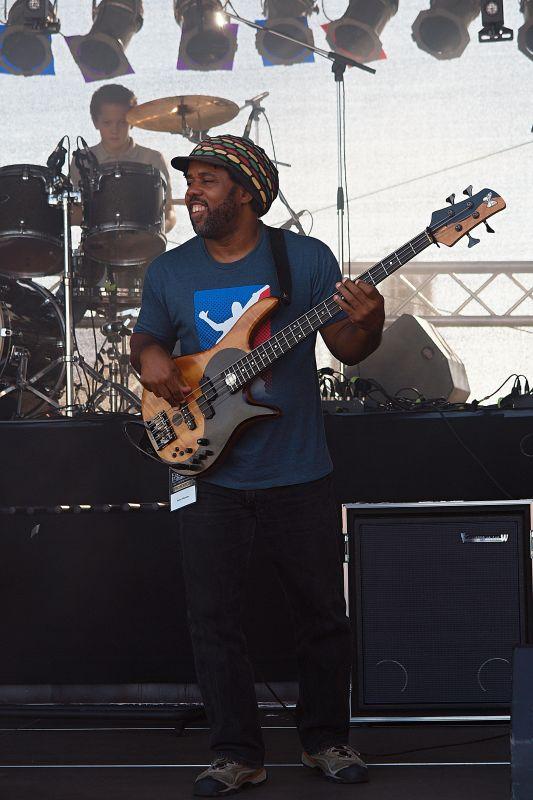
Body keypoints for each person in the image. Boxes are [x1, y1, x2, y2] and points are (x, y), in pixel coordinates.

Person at [130, 134, 385, 797]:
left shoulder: (301, 259)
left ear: (245, 190)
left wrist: (371, 320)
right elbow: (147, 337)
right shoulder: (170, 270)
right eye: (192, 180)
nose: (193, 190)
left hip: (297, 467)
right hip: (204, 469)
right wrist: (150, 358)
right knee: (212, 619)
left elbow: (349, 350)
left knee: (321, 614)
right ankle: (236, 753)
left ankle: (325, 739)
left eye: (208, 180)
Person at [70, 83, 176, 233]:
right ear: (95, 122)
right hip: (98, 246)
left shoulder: (152, 159)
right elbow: (77, 213)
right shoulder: (82, 160)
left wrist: (156, 236)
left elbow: (169, 213)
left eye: (122, 122)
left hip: (144, 247)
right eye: (107, 123)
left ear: (132, 122)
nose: (115, 129)